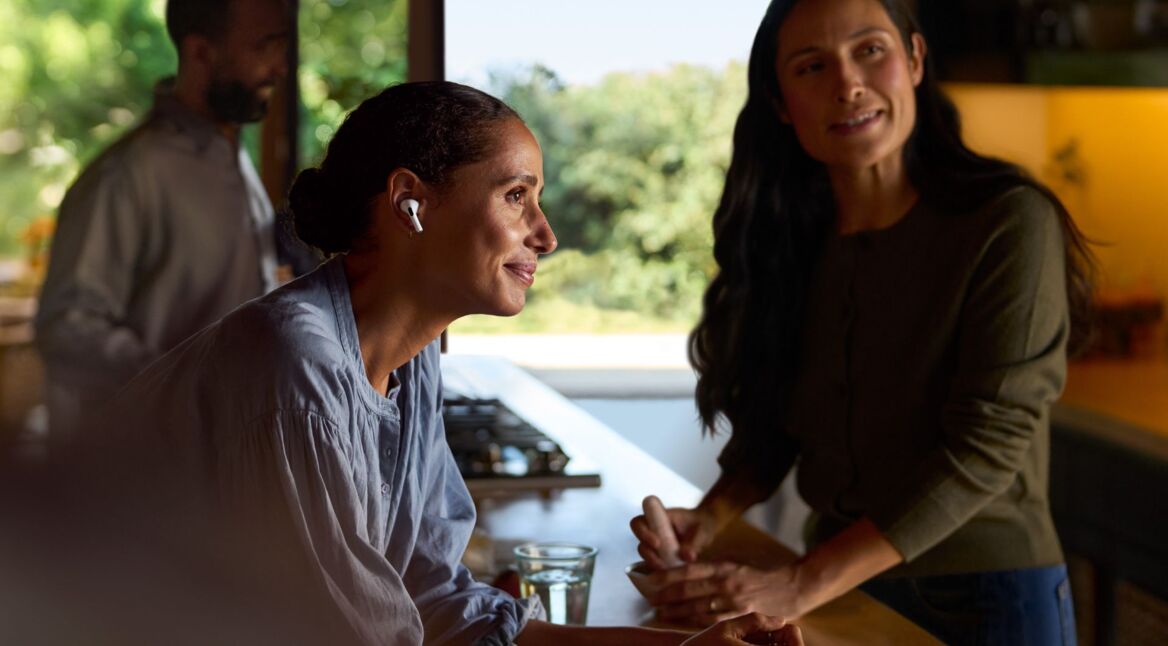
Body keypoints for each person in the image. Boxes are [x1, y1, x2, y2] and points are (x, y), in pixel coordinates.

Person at [97, 81, 802, 646]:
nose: (546, 234)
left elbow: (437, 603)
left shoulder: (413, 359)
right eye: (516, 195)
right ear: (411, 203)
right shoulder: (296, 369)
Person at [630, 1, 1092, 644]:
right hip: (843, 593)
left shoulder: (1010, 222)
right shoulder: (790, 241)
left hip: (992, 599)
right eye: (812, 66)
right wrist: (708, 518)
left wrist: (799, 584)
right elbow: (780, 425)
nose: (847, 84)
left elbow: (986, 449)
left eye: (870, 50)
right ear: (781, 102)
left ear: (915, 60)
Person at [34, 0, 315, 440]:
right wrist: (185, 384)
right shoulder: (126, 175)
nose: (281, 67)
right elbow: (66, 328)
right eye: (266, 46)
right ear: (201, 52)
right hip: (150, 477)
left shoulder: (236, 159)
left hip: (231, 460)